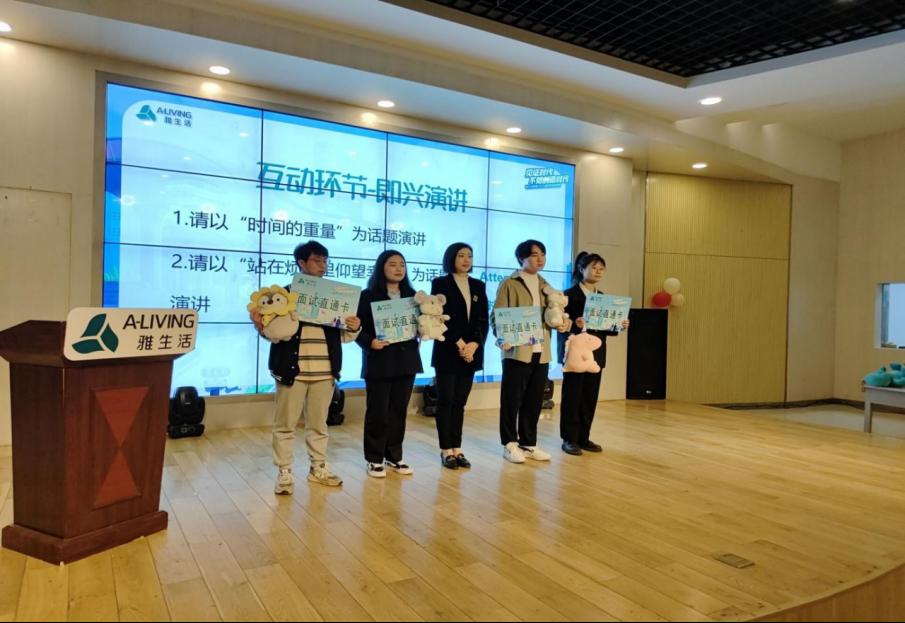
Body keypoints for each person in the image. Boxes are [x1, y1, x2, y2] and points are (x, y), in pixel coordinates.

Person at [253, 240, 361, 494]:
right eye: (316, 260)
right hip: (292, 369)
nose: (322, 265)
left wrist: (355, 326)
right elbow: (272, 333)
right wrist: (262, 325)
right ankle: (284, 471)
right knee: (285, 424)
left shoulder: (336, 296)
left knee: (318, 424)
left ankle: (318, 467)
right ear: (301, 262)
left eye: (325, 260)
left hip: (325, 369)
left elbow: (344, 336)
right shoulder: (281, 296)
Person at [493, 239, 571, 464]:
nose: (540, 259)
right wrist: (502, 338)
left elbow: (554, 314)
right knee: (511, 399)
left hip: (541, 350)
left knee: (534, 399)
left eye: (543, 254)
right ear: (522, 258)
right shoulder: (510, 283)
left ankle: (528, 443)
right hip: (517, 350)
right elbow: (498, 314)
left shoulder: (546, 285)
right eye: (534, 255)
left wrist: (562, 323)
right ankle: (509, 443)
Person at [355, 250, 423, 478]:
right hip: (379, 360)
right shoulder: (367, 296)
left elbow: (422, 324)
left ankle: (394, 456)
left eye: (402, 264)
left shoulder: (413, 296)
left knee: (398, 411)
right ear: (381, 267)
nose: (398, 268)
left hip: (407, 361)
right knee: (378, 412)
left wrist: (425, 329)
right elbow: (355, 328)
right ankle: (374, 458)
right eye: (392, 264)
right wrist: (369, 342)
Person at [557, 251, 629, 455]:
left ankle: (584, 437)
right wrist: (575, 324)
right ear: (581, 269)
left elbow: (608, 330)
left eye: (601, 269)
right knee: (572, 396)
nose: (598, 272)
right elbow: (560, 325)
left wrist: (619, 324)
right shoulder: (568, 295)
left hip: (596, 354)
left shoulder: (604, 298)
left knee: (590, 396)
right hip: (575, 354)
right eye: (593, 268)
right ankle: (569, 438)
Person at [430, 242, 489, 470]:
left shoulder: (478, 285)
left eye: (469, 256)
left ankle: (457, 447)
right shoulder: (440, 283)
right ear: (451, 258)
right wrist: (460, 343)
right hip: (448, 349)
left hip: (470, 352)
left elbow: (482, 319)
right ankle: (446, 450)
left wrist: (474, 344)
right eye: (461, 255)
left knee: (460, 402)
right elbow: (438, 316)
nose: (466, 260)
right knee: (446, 401)